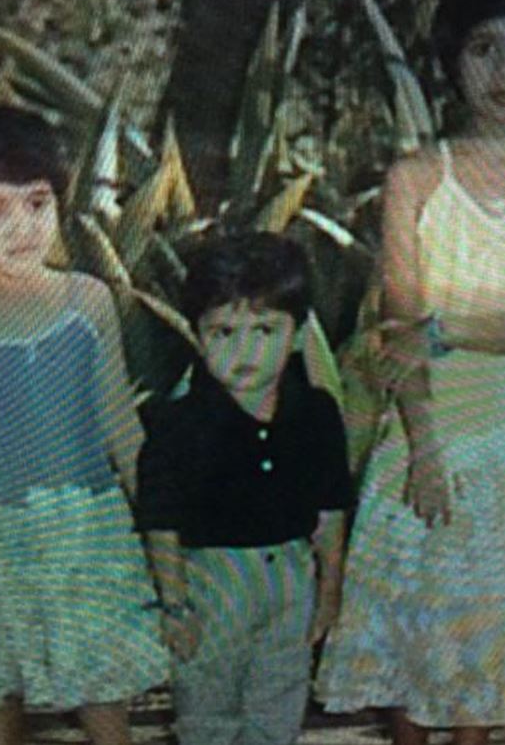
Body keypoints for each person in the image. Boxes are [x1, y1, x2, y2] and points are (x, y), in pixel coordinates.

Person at [316, 0, 505, 743]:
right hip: (428, 446)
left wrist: (443, 330)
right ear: (450, 61)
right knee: (414, 654)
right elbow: (398, 323)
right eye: (482, 49)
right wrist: (422, 445)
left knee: (478, 663)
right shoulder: (415, 177)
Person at [0, 103, 167, 745]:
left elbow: (121, 424)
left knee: (102, 702)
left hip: (88, 535)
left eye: (36, 202)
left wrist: (162, 534)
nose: (22, 226)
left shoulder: (89, 300)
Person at [136, 232, 352, 745]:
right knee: (208, 710)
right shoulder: (178, 424)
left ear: (297, 334)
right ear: (197, 334)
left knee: (278, 705)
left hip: (291, 578)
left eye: (265, 330)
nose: (245, 350)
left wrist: (329, 591)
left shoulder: (317, 416)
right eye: (224, 332)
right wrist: (175, 605)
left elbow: (331, 512)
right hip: (212, 581)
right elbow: (160, 522)